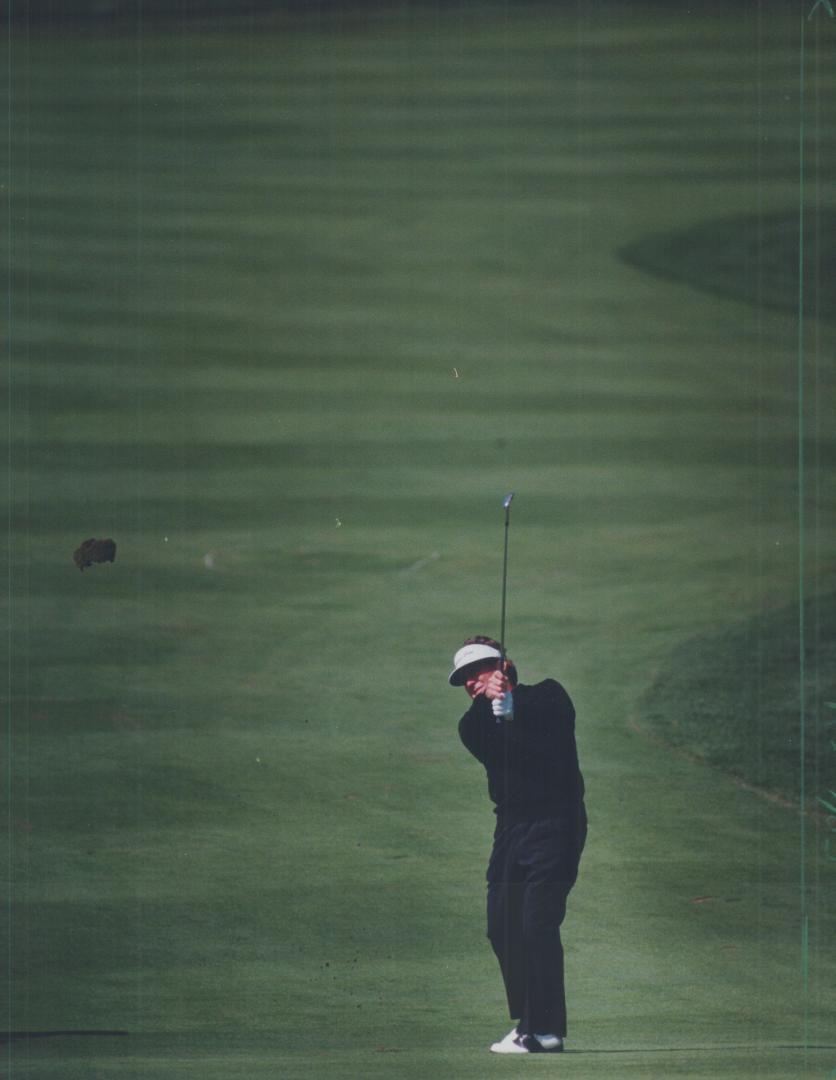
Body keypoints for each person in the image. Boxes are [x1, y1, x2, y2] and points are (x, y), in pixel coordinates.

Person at [450, 635, 587, 1055]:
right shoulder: (472, 725)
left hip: (556, 822)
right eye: (465, 679)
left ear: (503, 665)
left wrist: (515, 707)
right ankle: (531, 1020)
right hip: (510, 830)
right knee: (502, 926)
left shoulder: (549, 696)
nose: (472, 683)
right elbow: (501, 749)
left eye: (478, 671)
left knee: (536, 923)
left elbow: (552, 744)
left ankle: (543, 1030)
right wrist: (497, 713)